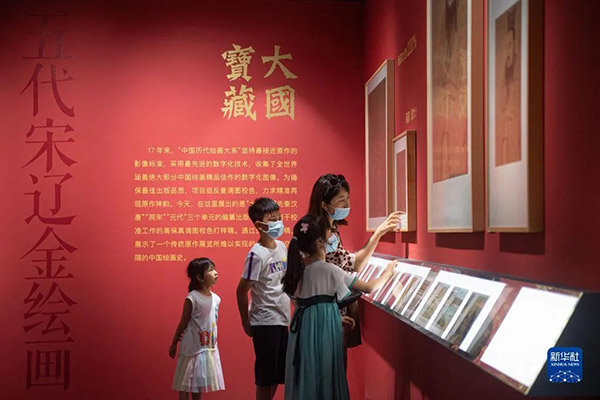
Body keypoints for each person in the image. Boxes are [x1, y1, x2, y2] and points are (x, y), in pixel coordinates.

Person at [282, 214, 395, 400]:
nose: (333, 237)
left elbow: (302, 303)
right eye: (329, 234)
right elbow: (368, 287)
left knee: (307, 372)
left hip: (303, 330)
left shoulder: (298, 271)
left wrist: (333, 317)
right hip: (325, 330)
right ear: (320, 242)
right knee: (326, 373)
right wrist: (389, 273)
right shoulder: (329, 270)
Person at [308, 173, 400, 348]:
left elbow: (351, 263)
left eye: (347, 198)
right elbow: (356, 268)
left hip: (328, 314)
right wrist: (388, 272)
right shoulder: (323, 235)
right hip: (329, 315)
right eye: (341, 200)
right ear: (324, 205)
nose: (347, 204)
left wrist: (378, 233)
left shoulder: (330, 229)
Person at [236, 198, 291, 400]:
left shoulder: (282, 247)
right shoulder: (256, 255)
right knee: (265, 377)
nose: (278, 223)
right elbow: (241, 290)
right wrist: (246, 323)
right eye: (272, 220)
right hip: (265, 321)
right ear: (259, 225)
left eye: (279, 218)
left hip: (282, 319)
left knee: (277, 374)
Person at [169, 258, 225, 399]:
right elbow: (183, 322)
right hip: (191, 348)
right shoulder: (192, 298)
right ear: (199, 277)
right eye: (210, 270)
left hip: (206, 347)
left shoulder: (216, 299)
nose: (215, 273)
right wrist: (174, 343)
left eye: (214, 269)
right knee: (185, 383)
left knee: (198, 383)